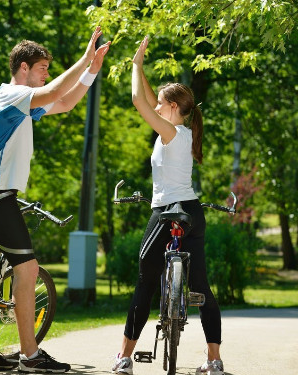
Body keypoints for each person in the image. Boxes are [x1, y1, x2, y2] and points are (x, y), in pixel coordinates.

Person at [0, 27, 111, 373]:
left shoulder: (22, 105)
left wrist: (92, 70)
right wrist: (84, 59)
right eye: (42, 67)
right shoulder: (10, 95)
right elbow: (52, 91)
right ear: (24, 68)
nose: (46, 72)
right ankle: (30, 356)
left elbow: (64, 102)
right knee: (27, 269)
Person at [110, 36, 224, 375]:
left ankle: (124, 357)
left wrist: (133, 67)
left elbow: (136, 99)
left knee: (145, 283)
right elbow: (147, 97)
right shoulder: (183, 131)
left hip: (166, 211)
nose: (156, 107)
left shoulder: (169, 132)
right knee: (201, 287)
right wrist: (140, 66)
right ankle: (214, 360)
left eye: (161, 104)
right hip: (192, 211)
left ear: (173, 108)